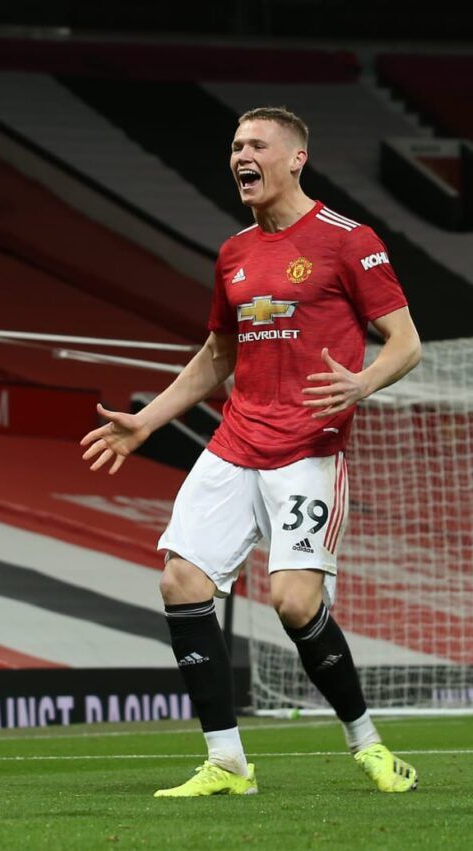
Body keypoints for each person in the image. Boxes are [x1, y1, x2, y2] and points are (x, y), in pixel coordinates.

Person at [80, 106, 421, 796]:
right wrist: (147, 421)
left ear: (296, 157)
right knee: (181, 580)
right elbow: (217, 354)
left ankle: (368, 742)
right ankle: (227, 760)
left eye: (257, 144)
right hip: (237, 439)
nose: (243, 154)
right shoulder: (234, 252)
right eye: (236, 145)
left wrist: (362, 383)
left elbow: (406, 341)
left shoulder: (348, 240)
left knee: (294, 602)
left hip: (308, 446)